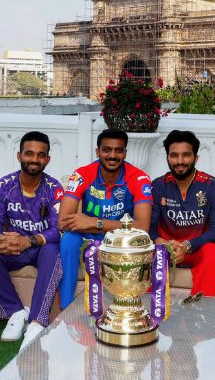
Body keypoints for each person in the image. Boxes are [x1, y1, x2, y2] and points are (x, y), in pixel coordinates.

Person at [0, 131, 64, 349]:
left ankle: (37, 322)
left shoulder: (55, 189)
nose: (34, 159)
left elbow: (59, 229)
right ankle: (15, 312)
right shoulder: (3, 186)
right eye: (29, 153)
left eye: (41, 155)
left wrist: (30, 241)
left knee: (53, 249)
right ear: (19, 156)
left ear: (48, 159)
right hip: (12, 250)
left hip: (39, 249)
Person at [57, 129, 153, 308]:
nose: (112, 156)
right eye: (107, 150)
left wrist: (96, 223)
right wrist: (95, 226)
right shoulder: (82, 174)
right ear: (98, 151)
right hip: (89, 237)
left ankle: (125, 306)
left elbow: (142, 227)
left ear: (125, 153)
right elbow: (63, 221)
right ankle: (66, 307)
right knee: (69, 239)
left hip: (121, 241)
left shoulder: (139, 177)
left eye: (118, 150)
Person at [147, 129, 215, 297]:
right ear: (167, 158)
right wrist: (161, 242)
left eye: (186, 155)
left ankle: (202, 310)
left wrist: (188, 246)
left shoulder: (213, 185)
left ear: (195, 158)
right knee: (153, 250)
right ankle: (150, 308)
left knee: (213, 251)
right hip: (167, 248)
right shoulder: (158, 186)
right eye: (174, 155)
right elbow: (150, 226)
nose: (180, 161)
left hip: (196, 248)